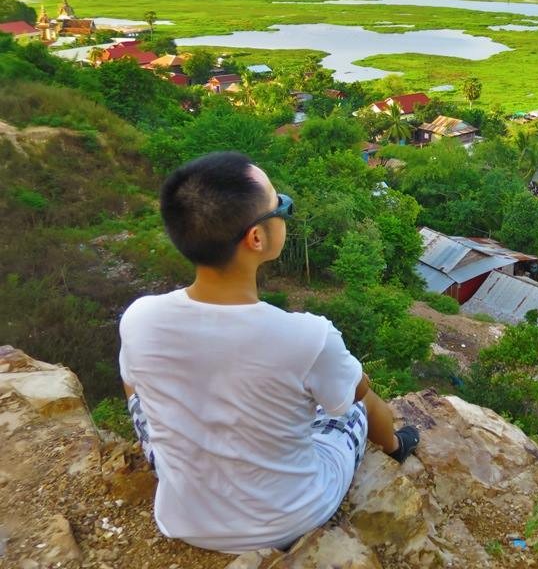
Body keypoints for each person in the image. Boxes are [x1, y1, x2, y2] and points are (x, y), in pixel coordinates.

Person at [118, 151, 418, 553]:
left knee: (141, 394)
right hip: (287, 518)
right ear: (256, 238)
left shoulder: (140, 318)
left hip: (184, 518)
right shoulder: (307, 336)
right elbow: (361, 398)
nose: (283, 213)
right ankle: (399, 449)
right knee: (350, 407)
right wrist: (394, 445)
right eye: (281, 206)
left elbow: (132, 386)